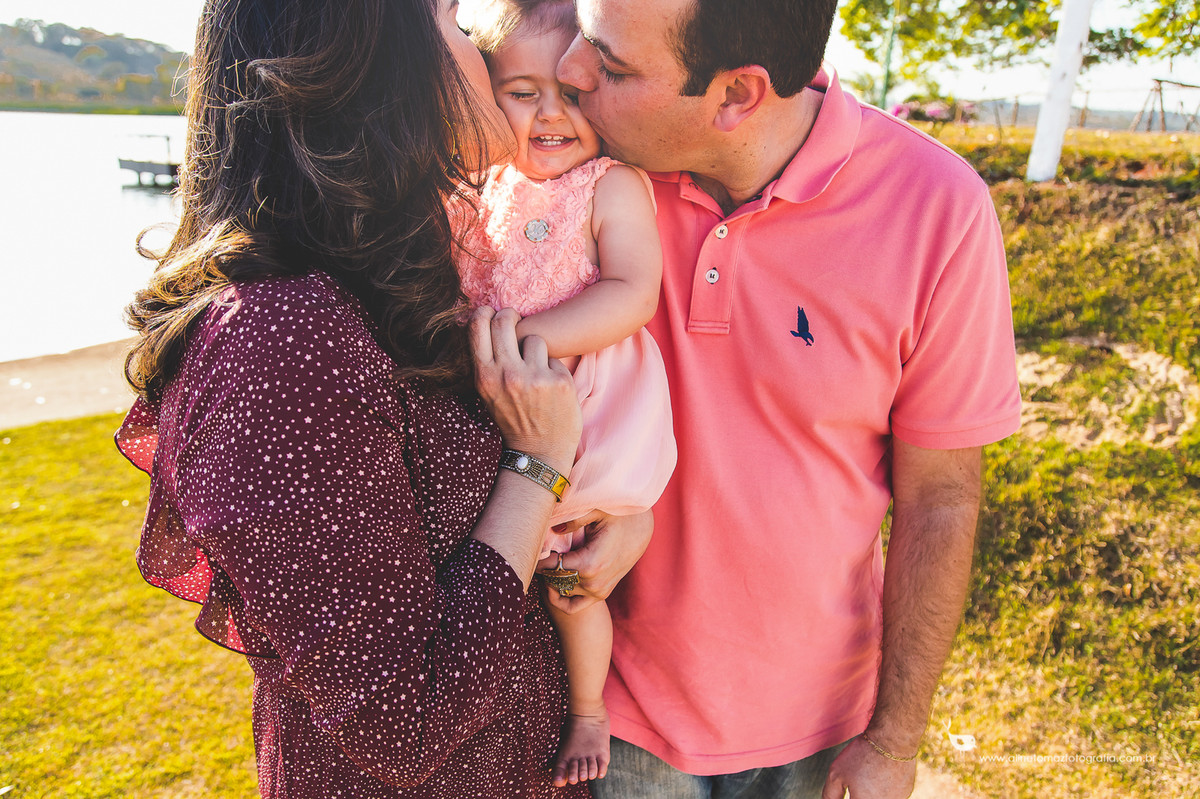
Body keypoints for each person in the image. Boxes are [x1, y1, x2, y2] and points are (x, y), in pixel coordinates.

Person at [114, 0, 644, 795]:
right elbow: (402, 719)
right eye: (456, 20)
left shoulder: (398, 277)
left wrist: (612, 518)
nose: (481, 50)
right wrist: (538, 466)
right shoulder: (285, 339)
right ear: (370, 58)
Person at [549, 0, 1025, 797]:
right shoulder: (579, 169)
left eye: (614, 65)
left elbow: (941, 497)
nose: (570, 70)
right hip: (609, 710)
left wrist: (895, 739)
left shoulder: (938, 208)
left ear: (737, 94)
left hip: (818, 729)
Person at [454, 0, 676, 786]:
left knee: (572, 582)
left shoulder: (610, 185)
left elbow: (632, 291)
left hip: (583, 400)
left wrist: (526, 337)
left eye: (572, 94)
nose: (551, 113)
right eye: (522, 93)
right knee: (487, 557)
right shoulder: (483, 184)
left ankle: (587, 709)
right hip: (494, 395)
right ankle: (479, 703)